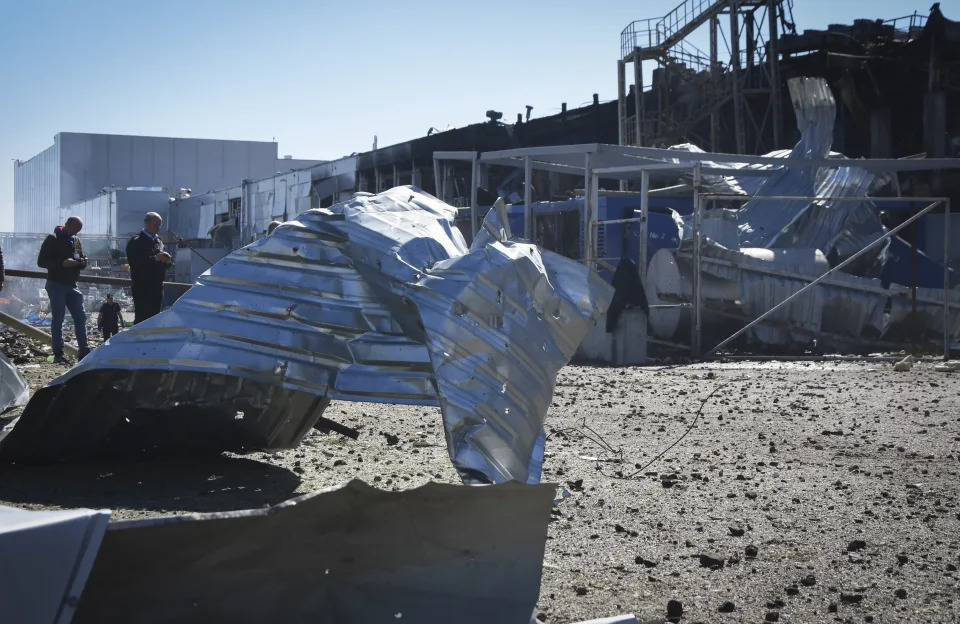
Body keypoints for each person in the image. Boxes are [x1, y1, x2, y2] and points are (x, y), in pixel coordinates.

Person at [37, 216, 90, 364]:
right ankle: (58, 354)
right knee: (58, 319)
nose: (76, 233)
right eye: (74, 229)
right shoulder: (52, 239)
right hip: (56, 283)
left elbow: (79, 257)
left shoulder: (76, 240)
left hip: (72, 284)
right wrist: (62, 264)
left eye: (78, 231)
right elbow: (41, 261)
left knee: (80, 317)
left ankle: (84, 351)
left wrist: (82, 262)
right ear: (66, 225)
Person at [126, 212, 172, 324]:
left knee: (154, 318)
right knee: (142, 318)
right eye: (155, 225)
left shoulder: (159, 242)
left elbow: (167, 265)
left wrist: (167, 261)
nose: (158, 228)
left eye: (159, 225)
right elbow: (135, 262)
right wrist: (155, 259)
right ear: (146, 223)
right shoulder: (136, 242)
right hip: (142, 286)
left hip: (157, 286)